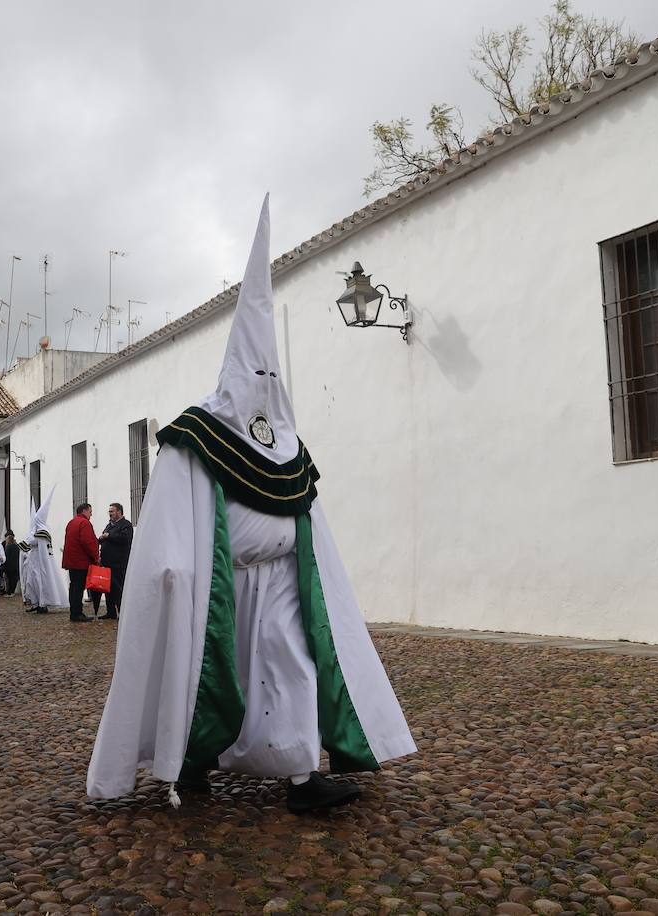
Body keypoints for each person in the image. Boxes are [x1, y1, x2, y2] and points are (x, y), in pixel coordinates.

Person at [87, 198, 415, 814]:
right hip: (220, 583)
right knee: (203, 676)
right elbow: (172, 523)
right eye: (255, 370)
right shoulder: (195, 437)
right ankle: (189, 762)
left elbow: (307, 515)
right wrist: (174, 579)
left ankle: (299, 776)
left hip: (282, 580)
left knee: (292, 666)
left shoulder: (289, 443)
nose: (265, 384)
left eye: (273, 373)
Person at [19, 489, 67, 616]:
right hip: (33, 558)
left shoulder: (43, 531)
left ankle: (42, 604)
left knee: (39, 581)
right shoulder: (37, 530)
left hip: (41, 560)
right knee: (31, 581)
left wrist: (29, 540)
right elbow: (27, 542)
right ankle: (35, 602)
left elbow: (31, 541)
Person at [95, 503, 134, 620]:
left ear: (119, 512)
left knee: (118, 588)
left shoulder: (126, 525)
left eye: (112, 511)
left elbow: (125, 539)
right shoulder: (109, 525)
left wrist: (109, 535)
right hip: (106, 562)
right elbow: (105, 538)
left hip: (118, 563)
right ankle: (111, 612)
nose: (110, 514)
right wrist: (101, 539)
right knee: (108, 589)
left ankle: (122, 613)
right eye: (109, 511)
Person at [62, 503, 99, 623]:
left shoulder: (71, 522)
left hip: (72, 561)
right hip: (81, 561)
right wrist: (95, 557)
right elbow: (87, 542)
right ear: (84, 511)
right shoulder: (84, 523)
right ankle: (78, 613)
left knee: (73, 587)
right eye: (90, 511)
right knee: (78, 588)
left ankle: (74, 612)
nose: (91, 514)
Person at [0, 532, 21, 596]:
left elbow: (6, 557)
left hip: (9, 566)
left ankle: (9, 592)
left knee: (8, 580)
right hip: (16, 566)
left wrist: (3, 566)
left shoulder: (8, 547)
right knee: (14, 580)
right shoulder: (17, 547)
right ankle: (12, 592)